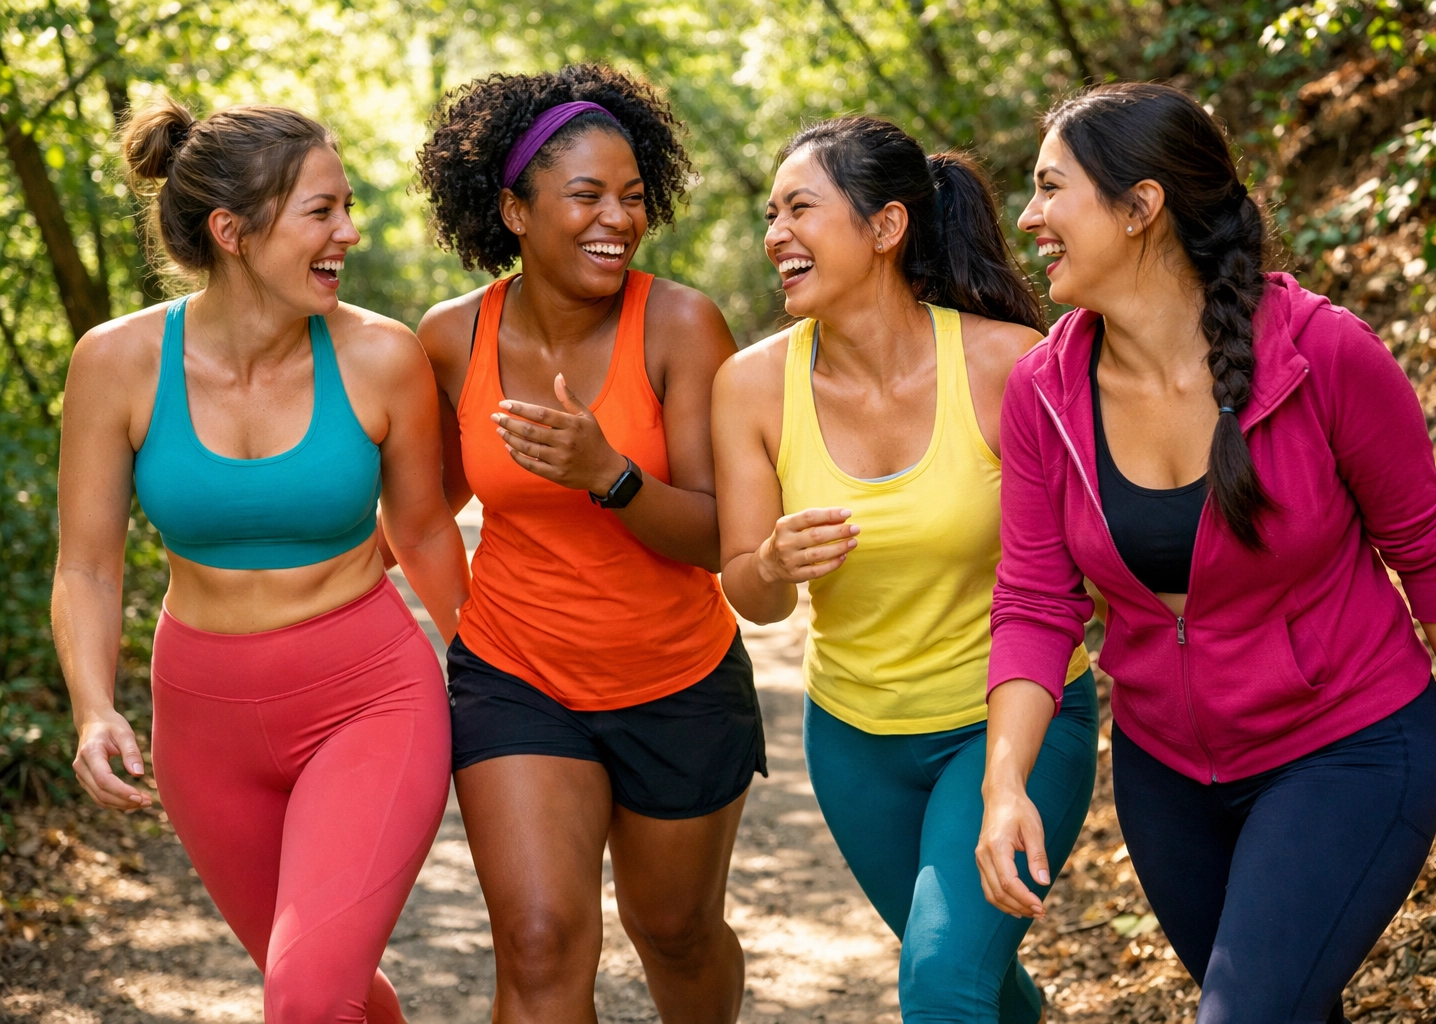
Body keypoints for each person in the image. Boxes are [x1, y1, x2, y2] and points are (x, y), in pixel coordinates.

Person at [980, 81, 1436, 1023]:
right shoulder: (1042, 392)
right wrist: (1002, 786)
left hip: (1348, 744)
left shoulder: (1324, 353)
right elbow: (1035, 600)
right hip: (1168, 774)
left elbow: (1426, 546)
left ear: (1141, 206)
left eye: (1049, 188)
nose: (1028, 218)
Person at [52, 98, 470, 1023]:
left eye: (347, 207)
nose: (349, 233)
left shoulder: (379, 355)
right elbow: (86, 565)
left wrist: (484, 667)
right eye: (322, 211)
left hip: (371, 698)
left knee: (304, 999)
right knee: (333, 992)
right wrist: (91, 710)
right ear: (231, 231)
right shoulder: (116, 363)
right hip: (203, 725)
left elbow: (429, 531)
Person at [714, 115, 1098, 1023]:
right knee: (977, 985)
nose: (775, 235)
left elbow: (1088, 559)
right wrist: (771, 559)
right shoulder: (753, 385)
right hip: (855, 745)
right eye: (771, 214)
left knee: (940, 980)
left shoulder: (1009, 365)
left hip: (1008, 728)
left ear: (885, 229)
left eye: (800, 209)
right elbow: (750, 595)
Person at [412, 64, 760, 1024]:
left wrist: (608, 472)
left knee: (676, 932)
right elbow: (416, 512)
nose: (620, 217)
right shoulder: (449, 341)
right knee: (536, 944)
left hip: (678, 682)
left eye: (635, 197)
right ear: (514, 211)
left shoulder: (682, 326)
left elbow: (722, 533)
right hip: (515, 677)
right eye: (588, 195)